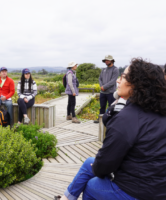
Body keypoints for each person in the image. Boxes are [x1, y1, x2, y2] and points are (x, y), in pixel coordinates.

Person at [56, 58, 166, 200]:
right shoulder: (158, 110)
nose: (118, 81)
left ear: (137, 84)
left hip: (137, 190)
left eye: (123, 77)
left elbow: (105, 165)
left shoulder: (128, 118)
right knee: (90, 162)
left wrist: (102, 171)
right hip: (157, 185)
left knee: (91, 185)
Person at [94, 55, 119, 123]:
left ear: (111, 60)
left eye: (107, 60)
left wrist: (104, 87)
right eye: (105, 60)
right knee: (102, 106)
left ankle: (110, 120)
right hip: (103, 92)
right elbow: (100, 78)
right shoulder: (104, 69)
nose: (106, 61)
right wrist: (102, 86)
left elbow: (113, 81)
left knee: (111, 107)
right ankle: (100, 119)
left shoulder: (115, 69)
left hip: (111, 92)